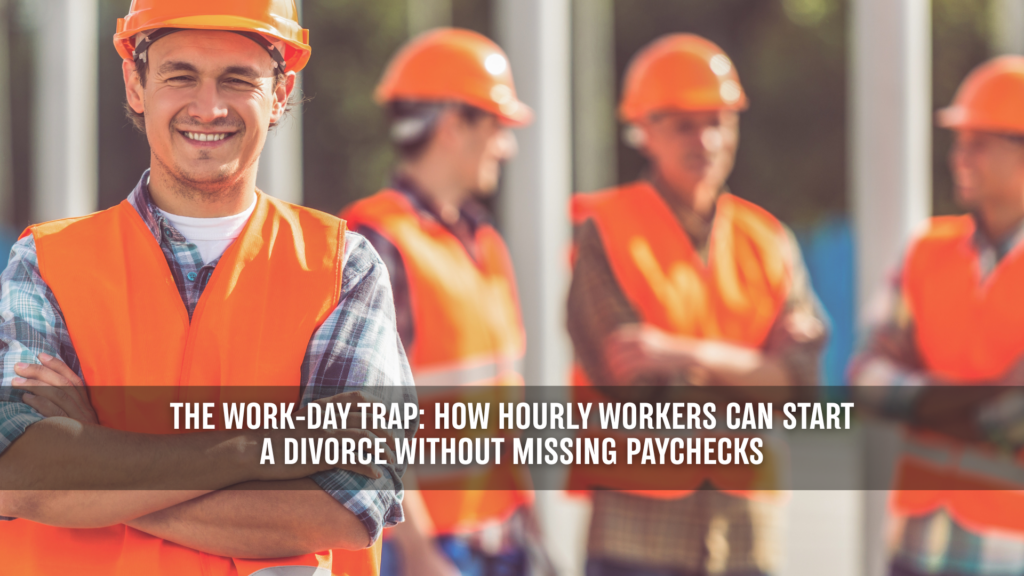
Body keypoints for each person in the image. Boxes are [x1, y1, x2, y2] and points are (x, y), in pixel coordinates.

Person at [0, 1, 415, 574]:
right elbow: (16, 475)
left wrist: (91, 453)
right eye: (180, 75)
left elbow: (344, 506)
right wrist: (262, 450)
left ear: (281, 92)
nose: (208, 107)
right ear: (136, 84)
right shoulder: (45, 262)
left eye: (237, 79)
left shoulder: (343, 268)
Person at [567, 33, 828, 576]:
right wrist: (756, 376)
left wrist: (676, 351)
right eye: (685, 123)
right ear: (643, 131)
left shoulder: (768, 239)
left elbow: (803, 386)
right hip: (634, 536)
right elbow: (636, 390)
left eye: (719, 121)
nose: (706, 140)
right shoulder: (605, 231)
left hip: (746, 533)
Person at [341, 28, 547, 576]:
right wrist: (421, 552)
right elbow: (366, 419)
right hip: (430, 554)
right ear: (455, 126)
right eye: (498, 126)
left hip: (503, 541)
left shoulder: (485, 243)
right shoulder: (377, 241)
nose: (508, 146)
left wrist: (534, 524)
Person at [850, 56, 1024, 576]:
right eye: (959, 141)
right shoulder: (926, 250)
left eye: (978, 143)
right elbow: (864, 378)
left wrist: (919, 397)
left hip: (1008, 543)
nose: (959, 157)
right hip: (919, 540)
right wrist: (970, 401)